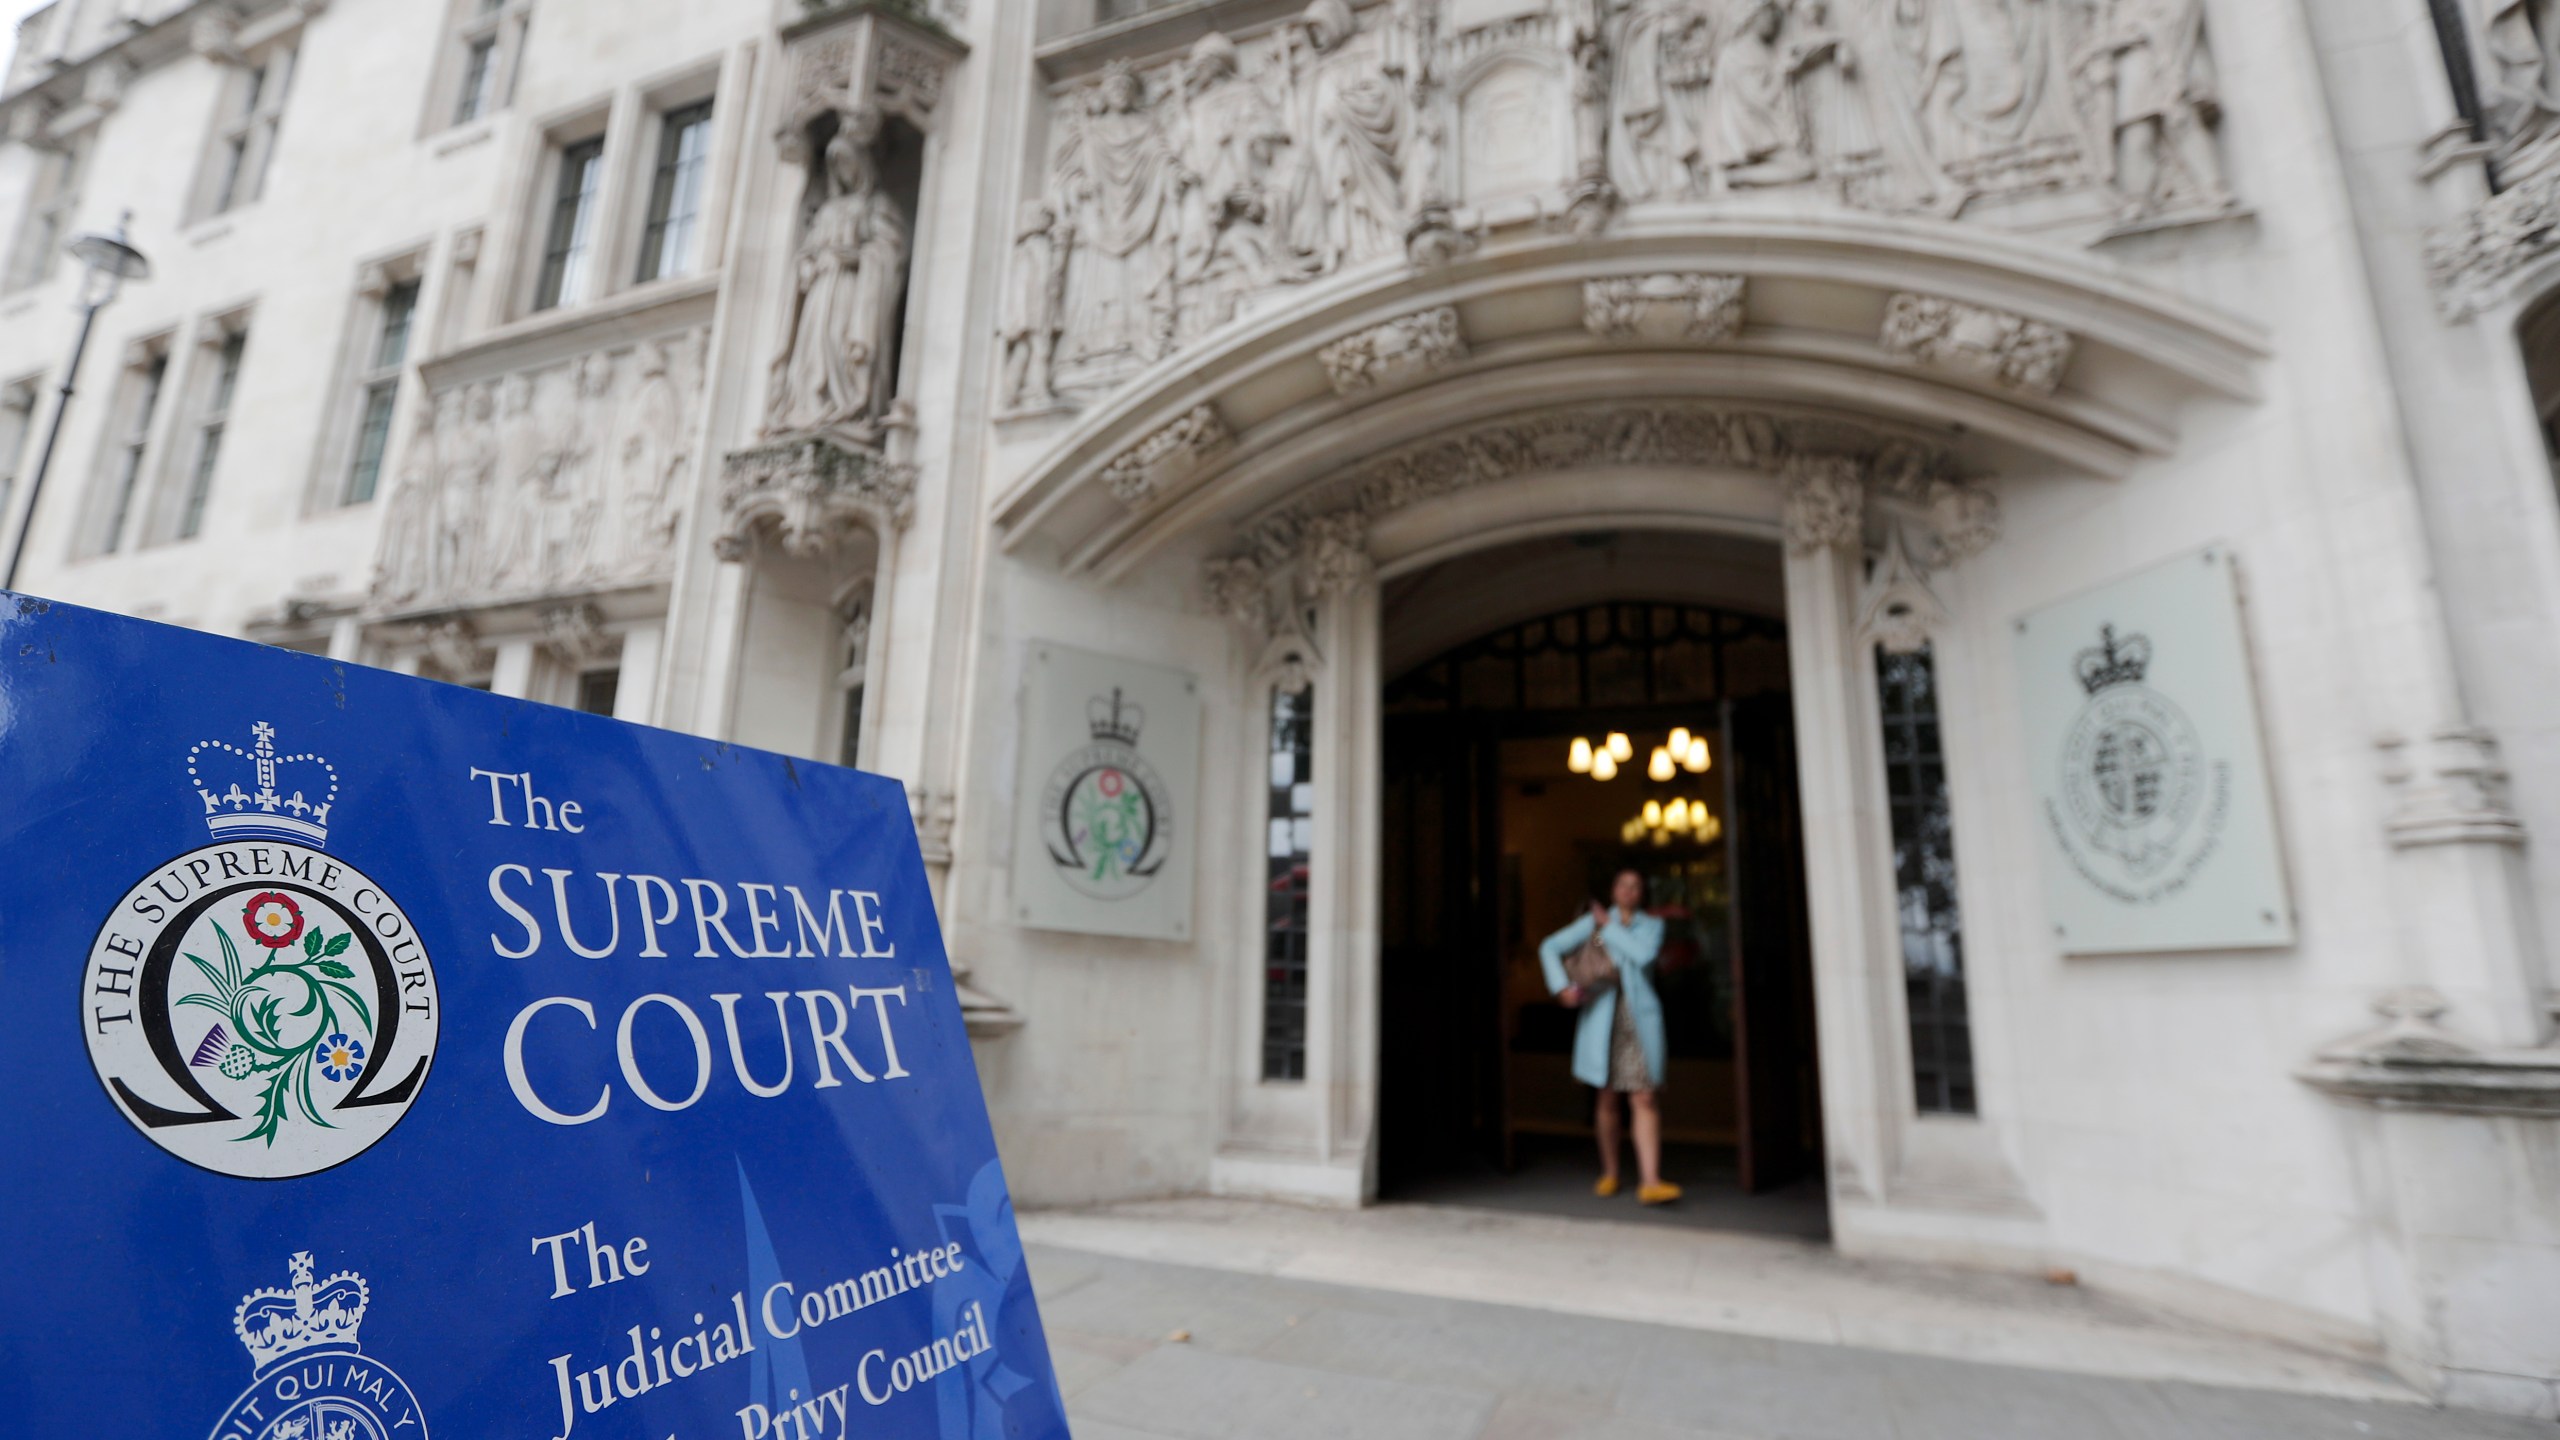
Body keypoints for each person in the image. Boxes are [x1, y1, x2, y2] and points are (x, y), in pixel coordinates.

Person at [1538, 868, 1680, 1205]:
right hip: (1602, 1018)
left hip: (1639, 1021)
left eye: (1636, 886)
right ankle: (1611, 1172)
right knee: (1606, 1097)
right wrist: (1561, 988)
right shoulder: (1593, 923)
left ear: (1642, 893)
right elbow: (1550, 947)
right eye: (1623, 884)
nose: (1629, 891)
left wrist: (1608, 927)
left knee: (1644, 1096)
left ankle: (1650, 1179)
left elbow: (1643, 956)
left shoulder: (1651, 926)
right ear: (1613, 889)